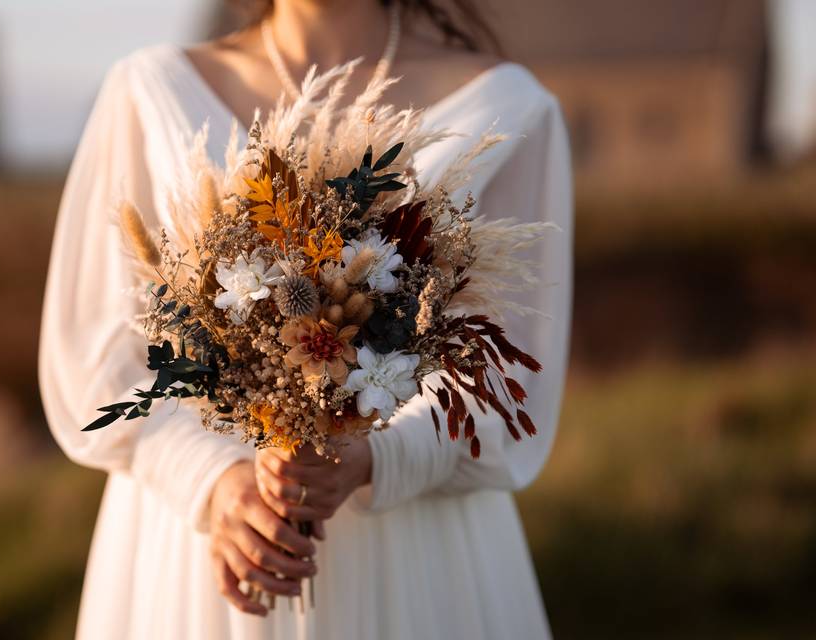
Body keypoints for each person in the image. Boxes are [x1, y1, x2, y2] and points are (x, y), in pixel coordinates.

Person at [39, 0, 572, 637]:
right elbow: (98, 347)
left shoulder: (510, 107)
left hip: (415, 555)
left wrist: (377, 458)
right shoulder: (148, 89)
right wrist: (211, 477)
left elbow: (512, 388)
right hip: (200, 544)